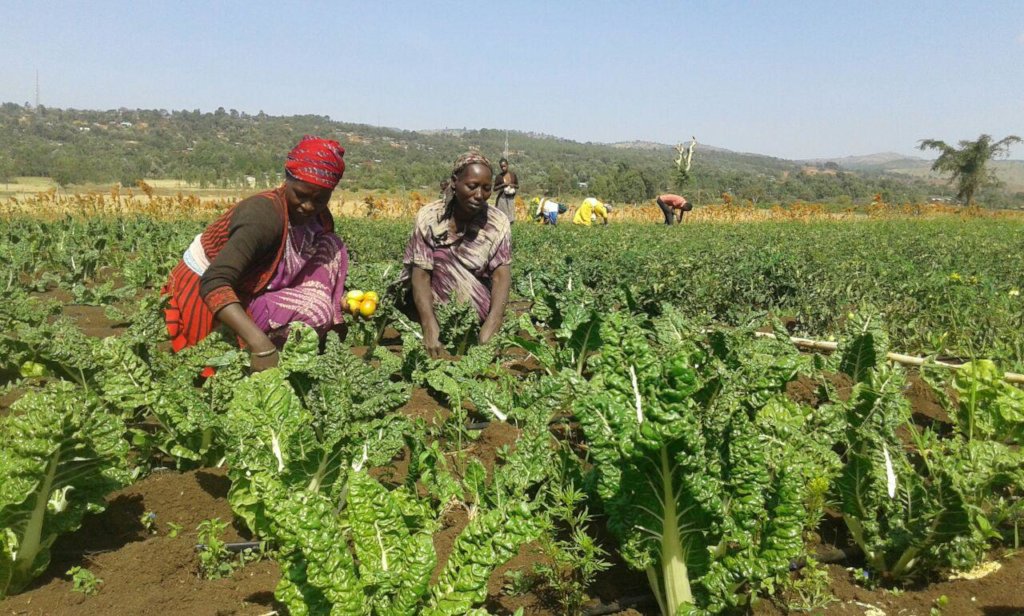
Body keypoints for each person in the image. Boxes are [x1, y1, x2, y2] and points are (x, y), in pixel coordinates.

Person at [162, 136, 349, 371]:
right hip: (205, 290)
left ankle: (283, 352)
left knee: (332, 246)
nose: (309, 206)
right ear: (287, 181)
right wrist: (260, 344)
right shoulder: (263, 216)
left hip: (254, 284)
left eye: (320, 199)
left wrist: (340, 302)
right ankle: (260, 353)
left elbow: (312, 270)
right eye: (301, 195)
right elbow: (214, 281)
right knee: (312, 309)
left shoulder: (319, 220)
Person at [400, 152, 512, 358]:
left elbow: (501, 275)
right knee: (441, 258)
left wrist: (492, 325)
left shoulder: (498, 222)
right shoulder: (430, 217)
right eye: (472, 186)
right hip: (431, 306)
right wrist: (429, 327)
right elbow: (421, 273)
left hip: (475, 311)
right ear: (455, 182)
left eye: (486, 188)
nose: (479, 195)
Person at [492, 157, 518, 224]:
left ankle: (511, 231)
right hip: (502, 198)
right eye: (501, 167)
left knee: (511, 217)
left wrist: (513, 185)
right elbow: (495, 189)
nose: (503, 168)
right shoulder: (499, 176)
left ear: (507, 165)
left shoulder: (513, 175)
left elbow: (517, 186)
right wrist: (503, 185)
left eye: (504, 166)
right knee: (503, 217)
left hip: (511, 198)